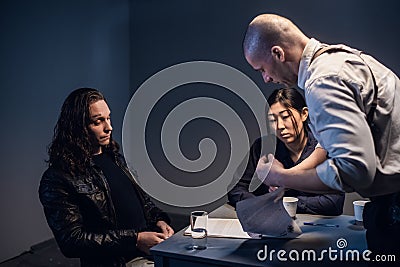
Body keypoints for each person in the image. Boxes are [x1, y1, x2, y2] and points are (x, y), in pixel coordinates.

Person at [243, 14, 400, 258]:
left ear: (278, 53)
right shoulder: (338, 61)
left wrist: (280, 176)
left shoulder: (323, 82)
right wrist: (289, 176)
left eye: (262, 69)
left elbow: (355, 170)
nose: (266, 79)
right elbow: (326, 148)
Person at [39, 88, 174, 267]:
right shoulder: (57, 178)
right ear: (78, 127)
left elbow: (143, 203)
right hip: (120, 261)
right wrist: (135, 240)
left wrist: (160, 220)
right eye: (98, 121)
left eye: (108, 118)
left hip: (150, 249)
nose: (109, 127)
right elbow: (71, 241)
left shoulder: (115, 158)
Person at [228, 88, 344, 216]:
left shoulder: (323, 147)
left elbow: (334, 202)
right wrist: (259, 204)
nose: (280, 126)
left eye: (286, 117)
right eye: (273, 120)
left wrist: (284, 203)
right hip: (269, 223)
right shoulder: (263, 147)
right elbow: (236, 190)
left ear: (304, 114)